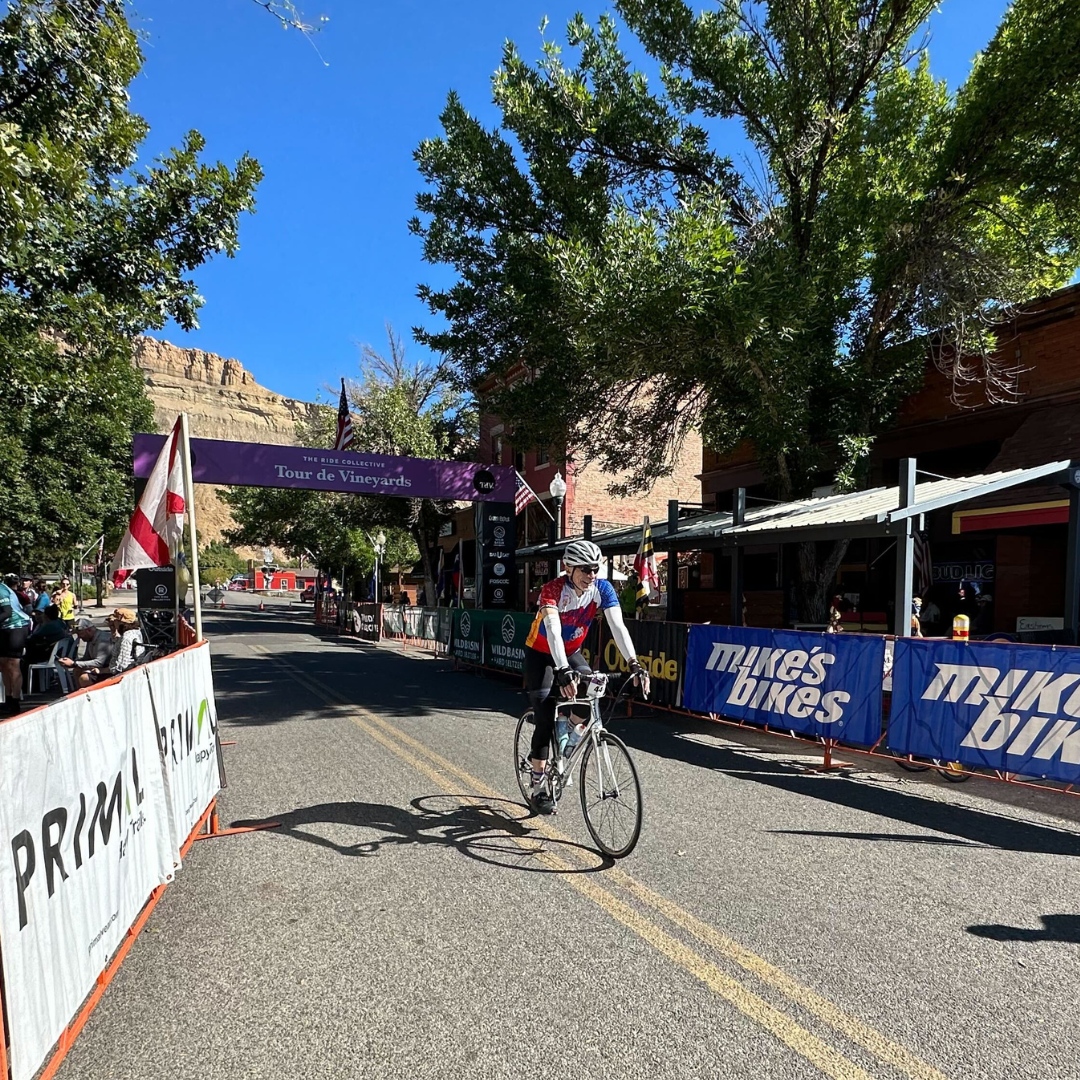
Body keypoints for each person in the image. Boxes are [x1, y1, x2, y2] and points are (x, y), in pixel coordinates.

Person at [523, 539, 650, 813]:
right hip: (541, 654)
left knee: (590, 701)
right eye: (585, 570)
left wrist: (634, 663)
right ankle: (538, 786)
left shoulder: (602, 589)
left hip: (571, 652)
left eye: (595, 569)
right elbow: (554, 634)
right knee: (544, 716)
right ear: (568, 568)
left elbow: (618, 627)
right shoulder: (552, 590)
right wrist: (562, 671)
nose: (592, 576)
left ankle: (566, 735)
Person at [0, 573, 32, 715]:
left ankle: (15, 701)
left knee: (13, 663)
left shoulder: (1, 590)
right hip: (4, 628)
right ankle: (7, 699)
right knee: (3, 663)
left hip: (17, 626)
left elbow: (6, 612)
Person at [21, 604, 71, 684]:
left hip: (54, 655)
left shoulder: (49, 625)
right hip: (62, 651)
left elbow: (33, 637)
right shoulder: (60, 622)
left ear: (46, 616)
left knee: (27, 658)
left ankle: (29, 683)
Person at [58, 616, 113, 688]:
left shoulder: (103, 639)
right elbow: (87, 658)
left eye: (80, 633)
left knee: (84, 678)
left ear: (89, 630)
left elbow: (99, 662)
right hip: (98, 667)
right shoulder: (90, 639)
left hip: (107, 669)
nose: (79, 637)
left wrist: (74, 663)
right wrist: (72, 662)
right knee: (77, 670)